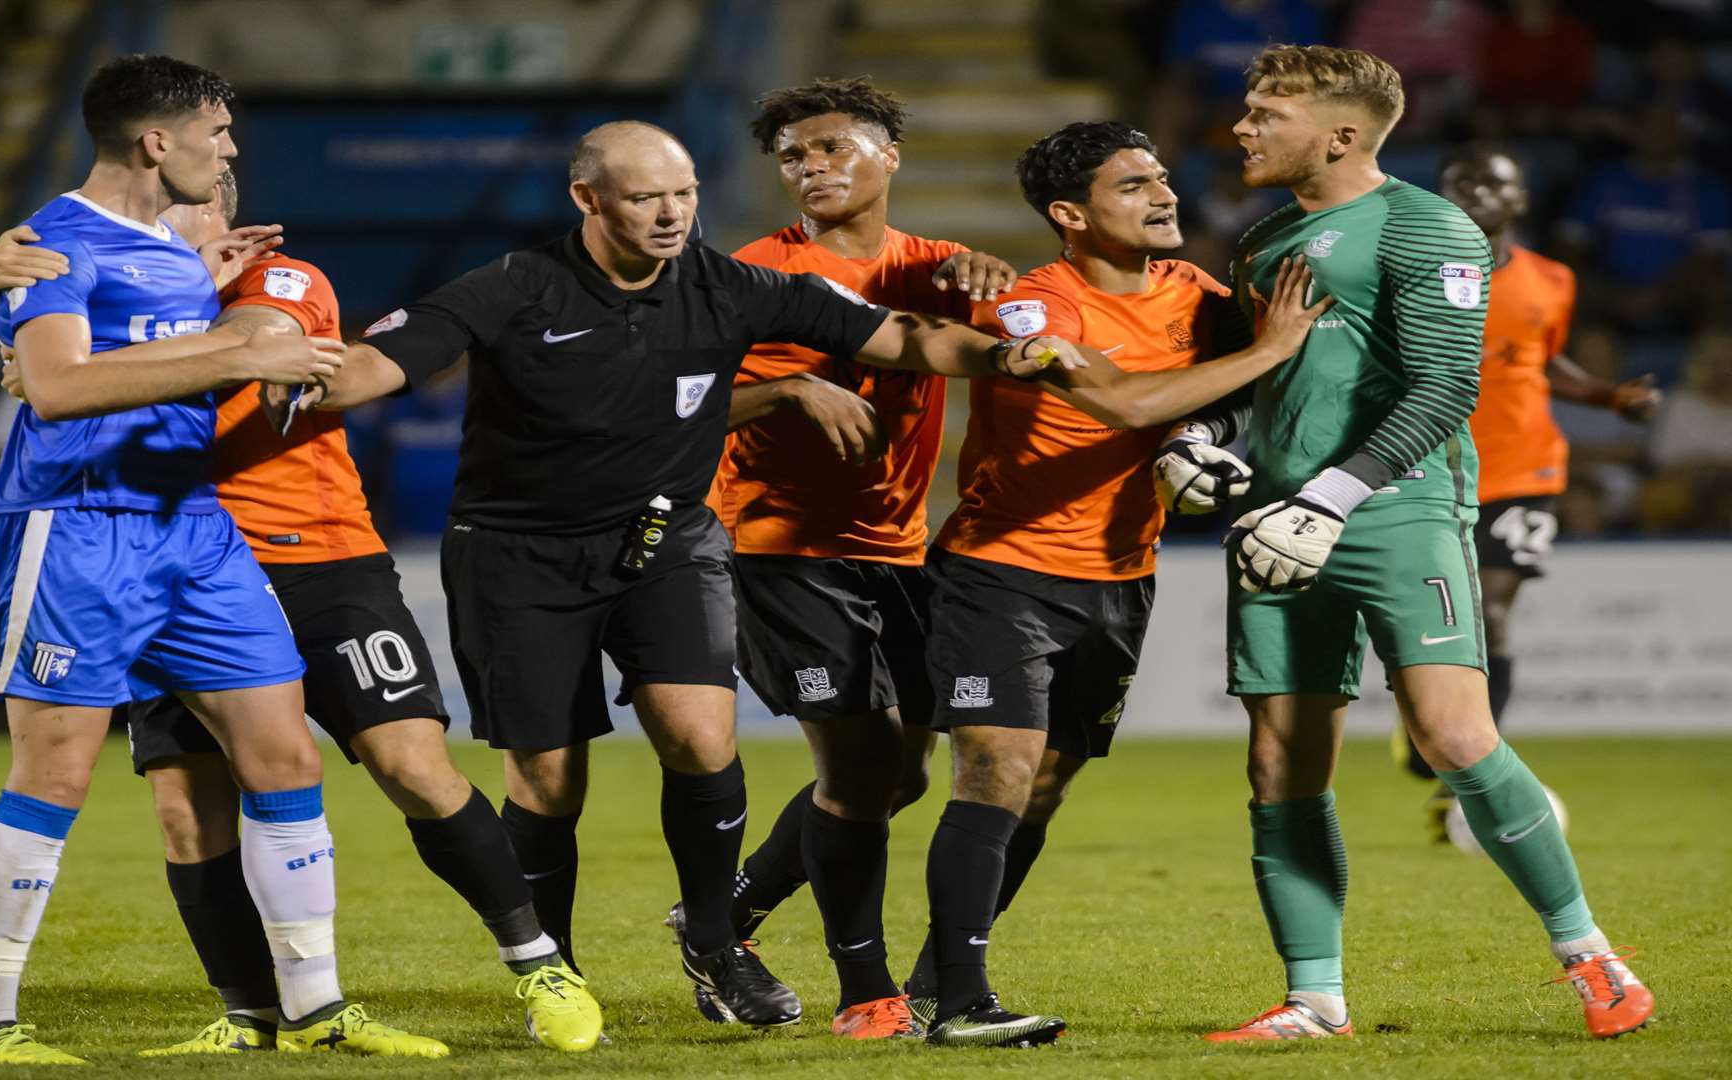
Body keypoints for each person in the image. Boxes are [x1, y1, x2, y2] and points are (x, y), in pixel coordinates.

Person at [298, 120, 1307, 1029]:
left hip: (781, 544)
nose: (669, 213)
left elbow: (910, 333)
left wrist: (1011, 357)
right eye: (647, 196)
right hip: (623, 548)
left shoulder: (812, 278)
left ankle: (721, 933)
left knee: (769, 750)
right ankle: (572, 969)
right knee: (560, 779)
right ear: (588, 201)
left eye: (682, 193)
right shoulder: (552, 283)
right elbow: (403, 361)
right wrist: (324, 372)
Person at [0, 171, 604, 1054]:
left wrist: (87, 362)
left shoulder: (281, 281)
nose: (160, 228)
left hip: (318, 559)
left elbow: (249, 345)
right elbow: (48, 350)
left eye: (180, 212)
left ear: (221, 212)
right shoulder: (107, 293)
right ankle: (255, 1015)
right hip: (170, 563)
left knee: (409, 762)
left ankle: (539, 963)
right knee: (188, 808)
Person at [0, 54, 441, 1064]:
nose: (231, 151)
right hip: (78, 526)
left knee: (285, 755)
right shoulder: (56, 242)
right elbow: (55, 387)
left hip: (195, 530)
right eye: (217, 134)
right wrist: (236, 352)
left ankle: (314, 1010)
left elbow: (117, 334)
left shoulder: (172, 247)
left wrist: (201, 301)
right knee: (55, 774)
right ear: (155, 142)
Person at [1196, 44, 1653, 1042]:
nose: (1243, 128)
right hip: (1279, 525)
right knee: (1280, 761)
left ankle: (1591, 957)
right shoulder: (1265, 238)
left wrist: (1330, 495)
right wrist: (1206, 439)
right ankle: (1315, 999)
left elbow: (1447, 386)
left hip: (1395, 512)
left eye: (1268, 113)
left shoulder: (1426, 225)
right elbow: (1269, 386)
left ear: (1343, 135)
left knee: (1452, 736)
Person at [908, 122, 1330, 1048]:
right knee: (995, 768)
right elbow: (1123, 401)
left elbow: (1252, 377)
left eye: (1162, 177)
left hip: (1121, 576)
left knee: (1044, 787)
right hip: (1002, 567)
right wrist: (1265, 353)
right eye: (1133, 184)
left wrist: (1211, 439)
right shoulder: (1033, 309)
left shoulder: (1194, 293)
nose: (1163, 193)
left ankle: (928, 985)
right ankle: (962, 1005)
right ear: (1070, 213)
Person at [692, 76, 1015, 1042]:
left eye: (834, 146)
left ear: (891, 156)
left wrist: (1000, 281)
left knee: (901, 777)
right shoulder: (753, 272)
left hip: (900, 550)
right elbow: (683, 401)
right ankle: (864, 992)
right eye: (794, 155)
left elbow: (1003, 341)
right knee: (859, 764)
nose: (812, 166)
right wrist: (789, 387)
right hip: (780, 544)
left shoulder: (938, 267)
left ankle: (721, 919)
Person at [1388, 144, 1660, 831]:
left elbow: (1543, 361)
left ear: (1521, 200)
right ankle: (1429, 724)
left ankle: (1468, 774)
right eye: (1461, 180)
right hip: (1432, 464)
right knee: (1433, 616)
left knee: (1495, 609)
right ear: (1442, 194)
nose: (1477, 189)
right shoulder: (1408, 271)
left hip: (1523, 469)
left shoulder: (1551, 279)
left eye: (1494, 181)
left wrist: (1607, 396)